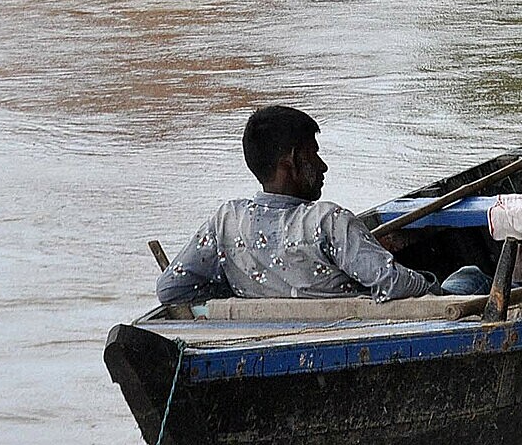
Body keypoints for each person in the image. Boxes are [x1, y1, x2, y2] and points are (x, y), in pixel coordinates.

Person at [155, 105, 489, 305]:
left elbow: (171, 289)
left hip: (263, 332)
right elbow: (395, 284)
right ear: (291, 162)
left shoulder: (225, 221)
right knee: (471, 275)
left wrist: (236, 298)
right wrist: (432, 287)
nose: (323, 165)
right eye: (314, 153)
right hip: (359, 326)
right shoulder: (327, 221)